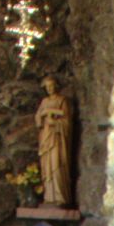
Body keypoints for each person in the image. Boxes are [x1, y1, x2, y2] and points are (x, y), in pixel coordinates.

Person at [35, 76, 74, 208]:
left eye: (51, 86)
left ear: (56, 86)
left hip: (57, 138)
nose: (50, 89)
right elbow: (38, 118)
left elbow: (67, 121)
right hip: (46, 136)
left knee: (57, 163)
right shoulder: (44, 101)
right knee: (47, 165)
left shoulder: (62, 101)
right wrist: (42, 116)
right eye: (47, 87)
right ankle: (49, 196)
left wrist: (56, 123)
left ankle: (59, 196)